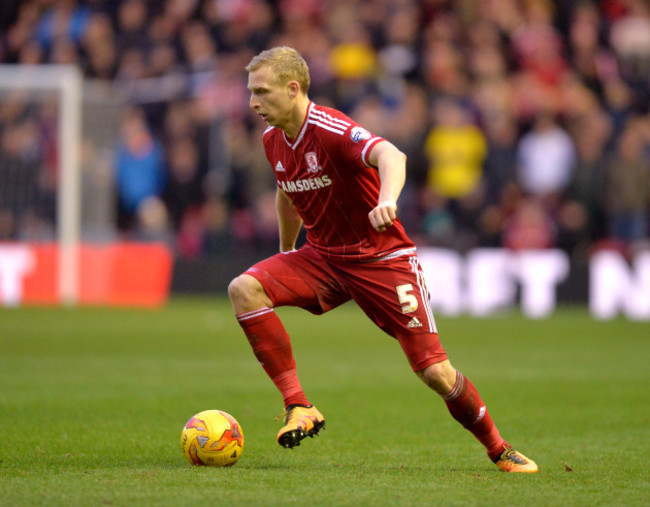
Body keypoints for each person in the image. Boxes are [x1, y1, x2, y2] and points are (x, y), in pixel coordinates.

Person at [228, 46, 538, 473]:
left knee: (435, 372)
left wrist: (386, 199)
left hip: (382, 259)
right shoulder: (272, 141)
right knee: (245, 289)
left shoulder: (332, 129)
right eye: (251, 92)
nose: (252, 103)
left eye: (261, 92)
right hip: (323, 258)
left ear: (293, 88)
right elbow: (287, 192)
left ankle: (499, 449)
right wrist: (285, 253)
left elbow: (392, 155)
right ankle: (299, 405)